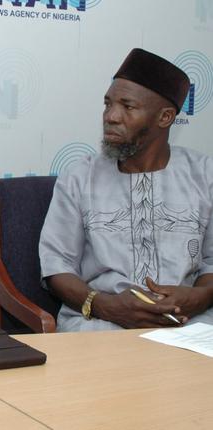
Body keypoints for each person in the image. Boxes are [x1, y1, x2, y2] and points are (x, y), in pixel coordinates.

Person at [40, 48, 213, 331]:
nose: (111, 116)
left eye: (127, 106)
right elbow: (56, 266)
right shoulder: (80, 177)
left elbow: (211, 260)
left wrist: (200, 296)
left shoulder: (205, 175)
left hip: (190, 324)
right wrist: (105, 306)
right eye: (108, 104)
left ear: (165, 117)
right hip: (99, 322)